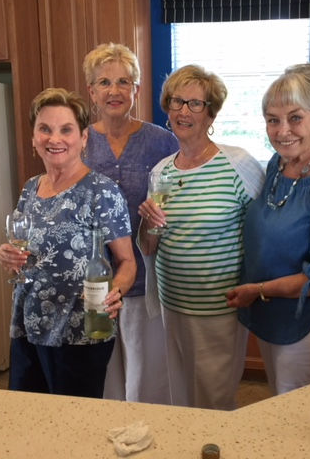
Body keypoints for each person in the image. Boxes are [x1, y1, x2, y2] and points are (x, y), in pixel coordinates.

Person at [225, 63, 310, 395]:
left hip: (305, 326)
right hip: (271, 316)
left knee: (295, 418)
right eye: (273, 120)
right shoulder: (280, 163)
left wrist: (257, 289)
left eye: (295, 118)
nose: (282, 131)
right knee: (278, 404)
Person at [137, 64, 265, 410]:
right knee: (179, 396)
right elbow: (149, 245)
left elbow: (265, 229)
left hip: (219, 308)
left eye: (195, 103)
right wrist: (148, 224)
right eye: (177, 101)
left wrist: (257, 287)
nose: (184, 111)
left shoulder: (237, 165)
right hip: (172, 304)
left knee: (214, 398)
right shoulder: (161, 172)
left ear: (211, 114)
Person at [0, 87, 136, 398]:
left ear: (83, 138)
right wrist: (9, 256)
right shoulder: (31, 188)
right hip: (28, 324)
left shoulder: (102, 191)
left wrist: (115, 292)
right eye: (45, 129)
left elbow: (127, 261)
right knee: (26, 413)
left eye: (66, 129)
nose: (54, 138)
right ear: (33, 138)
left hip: (79, 330)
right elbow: (25, 252)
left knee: (73, 419)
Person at [82, 43, 178, 404]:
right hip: (93, 282)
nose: (115, 91)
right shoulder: (79, 142)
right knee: (103, 378)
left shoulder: (162, 142)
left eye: (124, 81)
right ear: (91, 91)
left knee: (146, 379)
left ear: (136, 89)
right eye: (104, 82)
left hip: (145, 281)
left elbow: (174, 201)